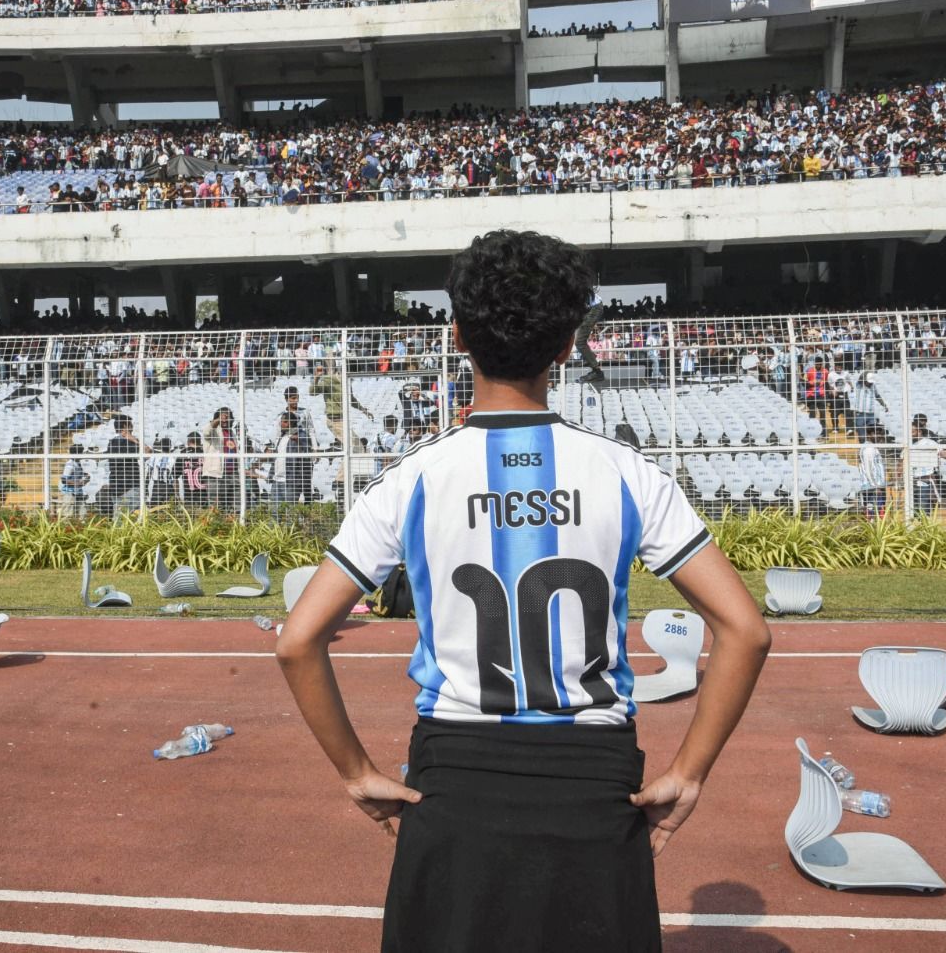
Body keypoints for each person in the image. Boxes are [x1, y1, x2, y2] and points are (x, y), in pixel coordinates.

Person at [276, 230, 770, 953]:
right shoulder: (628, 473)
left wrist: (357, 772)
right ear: (567, 344)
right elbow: (746, 630)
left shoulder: (414, 478)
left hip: (455, 785)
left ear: (456, 335)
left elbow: (297, 641)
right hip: (593, 788)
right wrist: (688, 772)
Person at [908, 413, 946, 515]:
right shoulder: (909, 444)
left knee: (924, 510)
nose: (910, 433)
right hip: (912, 482)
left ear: (919, 431)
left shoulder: (930, 442)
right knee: (913, 510)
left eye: (912, 431)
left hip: (925, 481)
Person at [858, 424, 887, 517]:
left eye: (880, 434)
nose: (879, 436)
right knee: (873, 512)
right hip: (872, 487)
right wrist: (875, 486)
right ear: (869, 434)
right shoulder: (869, 449)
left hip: (876, 485)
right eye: (876, 434)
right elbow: (868, 469)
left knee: (878, 510)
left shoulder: (872, 447)